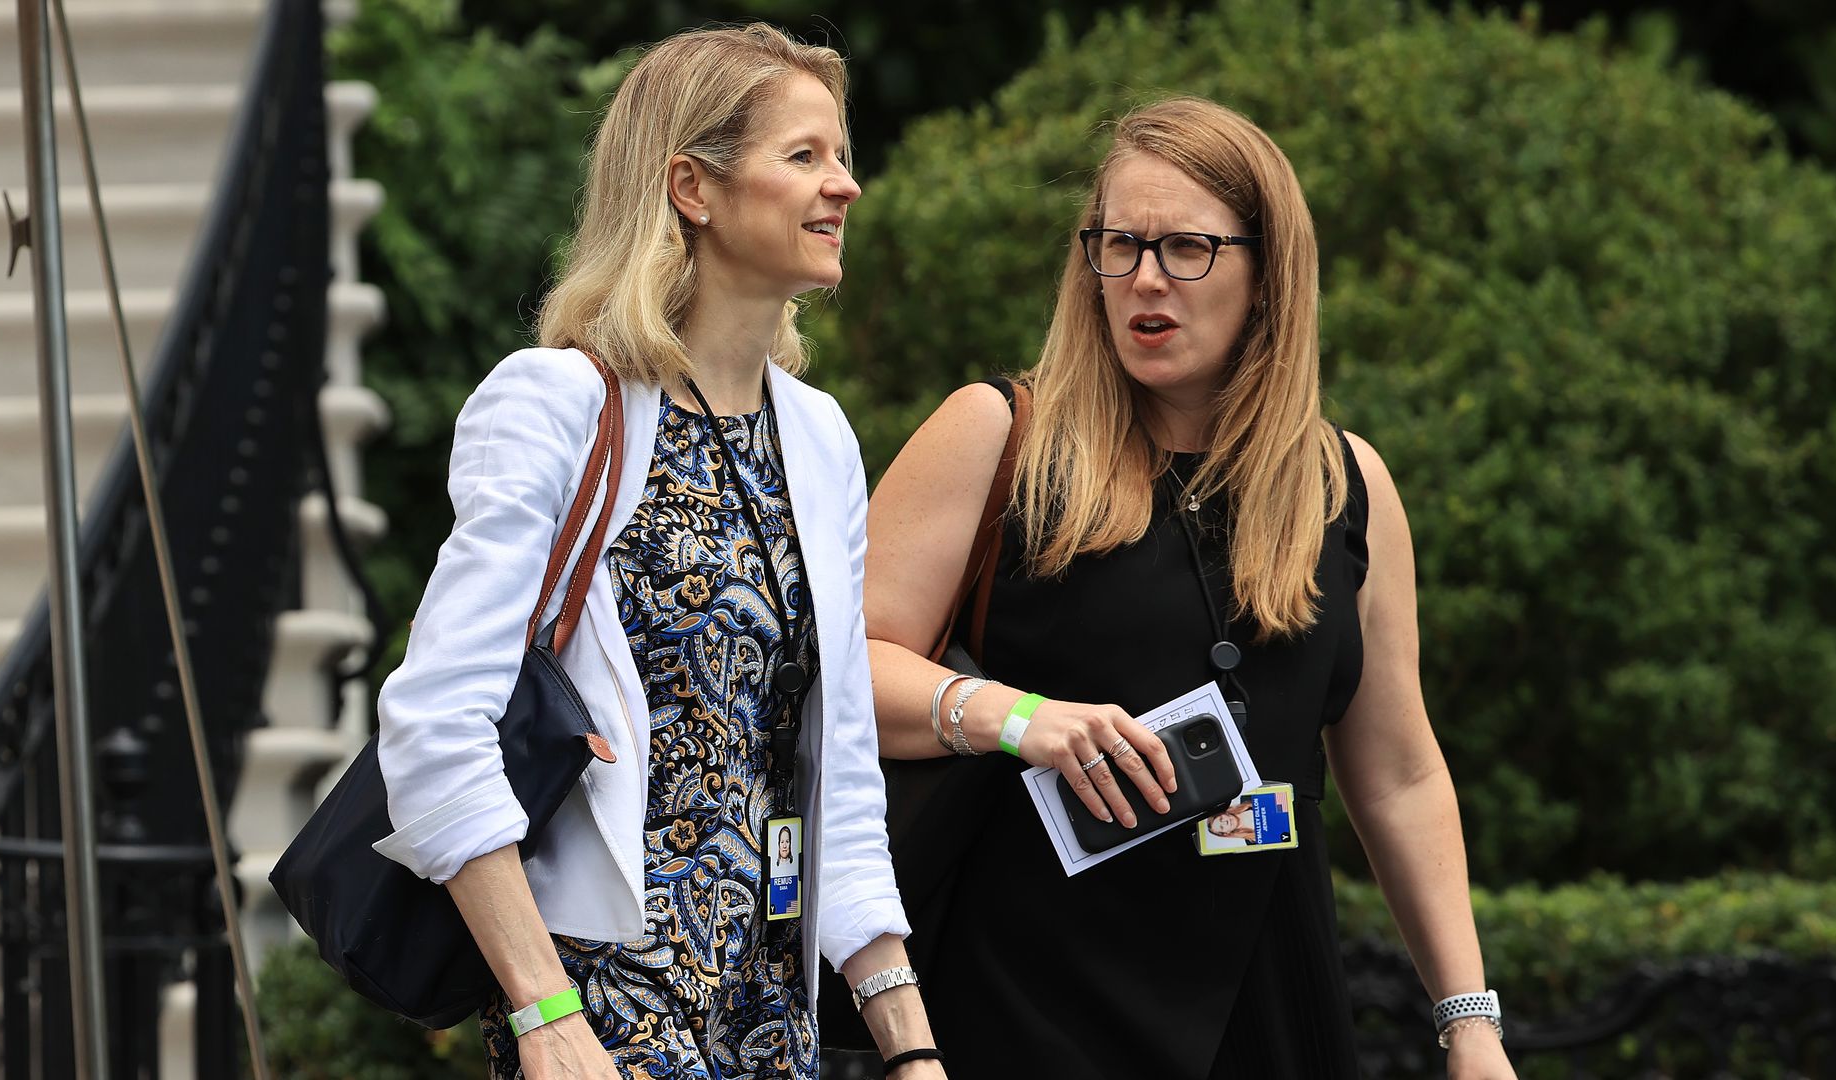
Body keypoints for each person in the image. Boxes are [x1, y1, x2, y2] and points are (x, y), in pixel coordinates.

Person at [864, 97, 1516, 1078]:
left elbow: (1400, 772)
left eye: (1186, 249)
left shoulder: (1347, 484)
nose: (1142, 279)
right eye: (1118, 245)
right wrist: (1013, 715)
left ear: (1266, 275)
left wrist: (1470, 1024)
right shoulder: (997, 435)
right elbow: (843, 672)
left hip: (1271, 1013)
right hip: (1030, 1008)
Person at [371, 24, 945, 1080]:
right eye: (806, 155)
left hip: (776, 1023)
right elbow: (433, 724)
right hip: (609, 1012)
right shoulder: (557, 403)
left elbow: (842, 775)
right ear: (693, 186)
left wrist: (910, 1047)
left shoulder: (818, 439)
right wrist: (546, 1014)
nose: (847, 187)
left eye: (843, 155)